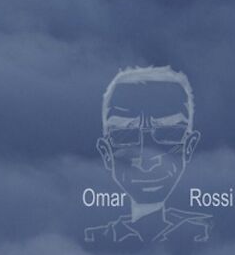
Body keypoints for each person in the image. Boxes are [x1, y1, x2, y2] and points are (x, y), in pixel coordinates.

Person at [85, 65, 210, 244]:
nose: (147, 160)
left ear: (189, 147)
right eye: (124, 134)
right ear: (106, 153)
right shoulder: (95, 241)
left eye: (168, 131)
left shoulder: (203, 234)